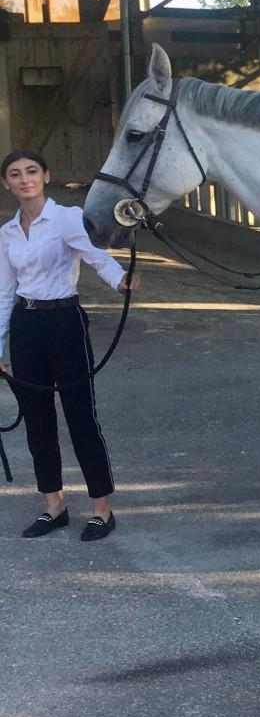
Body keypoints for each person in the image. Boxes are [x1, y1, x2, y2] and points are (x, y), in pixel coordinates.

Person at [0, 149, 138, 540]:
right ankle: (53, 506)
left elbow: (97, 256)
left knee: (81, 418)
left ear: (46, 175)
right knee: (37, 422)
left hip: (64, 321)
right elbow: (4, 292)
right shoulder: (7, 233)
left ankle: (101, 509)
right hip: (26, 327)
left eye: (31, 171)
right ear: (6, 183)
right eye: (15, 174)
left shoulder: (66, 218)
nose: (24, 179)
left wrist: (120, 279)